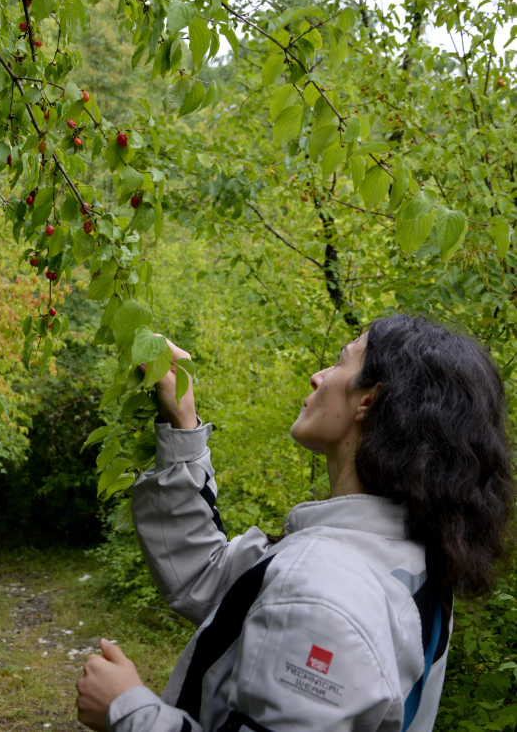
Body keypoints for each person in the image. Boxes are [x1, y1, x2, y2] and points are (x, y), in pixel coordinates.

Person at [76, 313, 515, 732]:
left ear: (369, 400)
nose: (317, 377)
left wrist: (127, 709)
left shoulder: (322, 591)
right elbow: (207, 578)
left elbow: (302, 601)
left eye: (341, 361)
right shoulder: (407, 557)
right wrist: (183, 423)